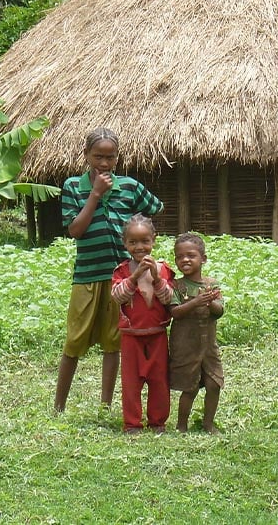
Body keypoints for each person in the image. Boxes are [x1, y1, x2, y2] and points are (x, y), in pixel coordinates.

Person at [54, 128, 164, 414]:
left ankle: (105, 405)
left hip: (123, 278)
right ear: (86, 155)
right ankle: (59, 405)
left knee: (113, 342)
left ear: (117, 157)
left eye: (110, 157)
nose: (104, 163)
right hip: (88, 276)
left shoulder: (128, 186)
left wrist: (137, 237)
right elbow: (75, 230)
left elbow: (155, 207)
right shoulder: (72, 187)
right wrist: (95, 195)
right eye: (98, 156)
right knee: (74, 341)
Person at [110, 215, 175, 434]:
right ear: (125, 243)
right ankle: (132, 423)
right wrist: (135, 276)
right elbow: (118, 296)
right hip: (131, 336)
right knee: (131, 383)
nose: (140, 247)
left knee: (159, 380)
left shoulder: (163, 269)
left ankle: (158, 422)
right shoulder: (121, 271)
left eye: (145, 241)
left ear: (153, 240)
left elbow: (168, 299)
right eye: (133, 242)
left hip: (157, 334)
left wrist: (156, 278)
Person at [169, 232, 225, 434]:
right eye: (179, 256)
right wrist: (195, 302)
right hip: (185, 345)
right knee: (190, 387)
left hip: (208, 346)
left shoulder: (212, 285)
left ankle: (208, 423)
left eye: (191, 255)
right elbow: (174, 312)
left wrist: (210, 303)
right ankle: (181, 425)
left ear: (203, 259)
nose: (185, 260)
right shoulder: (176, 285)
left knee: (214, 384)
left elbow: (220, 311)